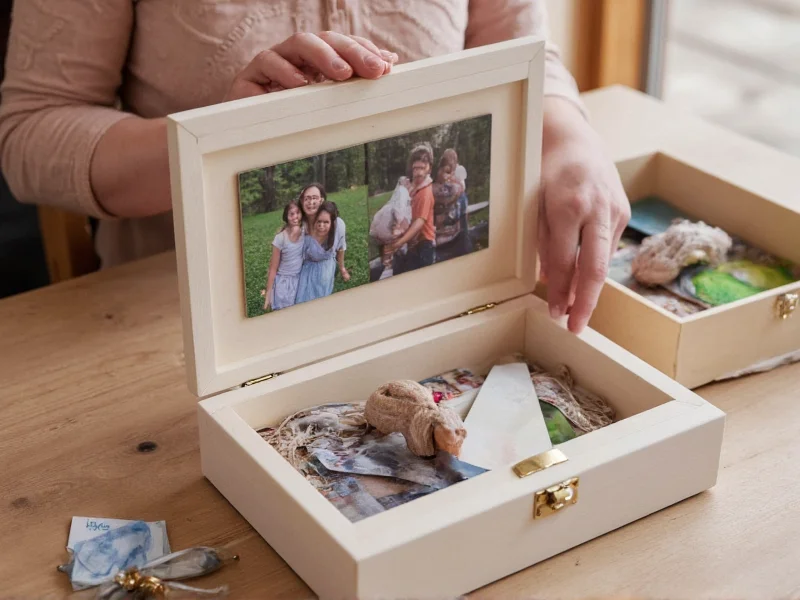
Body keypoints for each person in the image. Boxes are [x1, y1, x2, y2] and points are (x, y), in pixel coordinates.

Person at [0, 1, 630, 334]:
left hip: (437, 304)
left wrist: (571, 137)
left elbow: (525, 56)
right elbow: (31, 130)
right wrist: (216, 138)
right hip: (173, 323)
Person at [389, 143, 436, 273]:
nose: (419, 172)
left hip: (423, 246)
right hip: (409, 243)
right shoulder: (408, 186)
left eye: (422, 168)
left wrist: (399, 243)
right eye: (415, 168)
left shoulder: (425, 192)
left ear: (429, 169)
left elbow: (419, 223)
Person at [297, 183, 350, 284]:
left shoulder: (337, 224)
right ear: (302, 201)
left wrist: (342, 269)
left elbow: (341, 247)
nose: (311, 202)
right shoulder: (299, 226)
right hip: (304, 269)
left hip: (326, 266)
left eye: (315, 198)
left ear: (321, 200)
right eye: (307, 198)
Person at [369, 175, 413, 280]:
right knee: (395, 248)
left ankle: (386, 264)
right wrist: (398, 226)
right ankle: (388, 269)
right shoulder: (403, 191)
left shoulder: (400, 192)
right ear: (407, 182)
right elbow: (399, 212)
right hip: (388, 228)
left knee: (389, 250)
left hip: (378, 227)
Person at [263, 199, 304, 312]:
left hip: (299, 281)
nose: (295, 216)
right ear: (286, 216)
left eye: (298, 213)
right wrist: (268, 294)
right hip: (283, 284)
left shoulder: (305, 233)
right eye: (291, 214)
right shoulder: (280, 238)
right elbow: (273, 268)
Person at [295, 201, 339, 305]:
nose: (321, 225)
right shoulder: (306, 236)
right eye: (319, 221)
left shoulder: (335, 234)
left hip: (326, 272)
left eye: (326, 222)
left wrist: (341, 268)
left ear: (332, 223)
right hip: (309, 275)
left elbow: (340, 248)